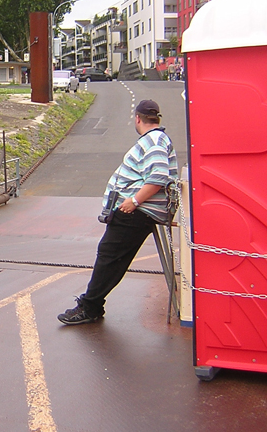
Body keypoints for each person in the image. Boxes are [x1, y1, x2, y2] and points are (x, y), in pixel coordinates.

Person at [58, 99, 178, 325]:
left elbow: (159, 176)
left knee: (109, 257)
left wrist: (133, 201)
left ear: (138, 118)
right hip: (140, 210)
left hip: (138, 210)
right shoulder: (156, 139)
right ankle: (92, 304)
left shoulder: (153, 140)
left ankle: (90, 306)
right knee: (113, 258)